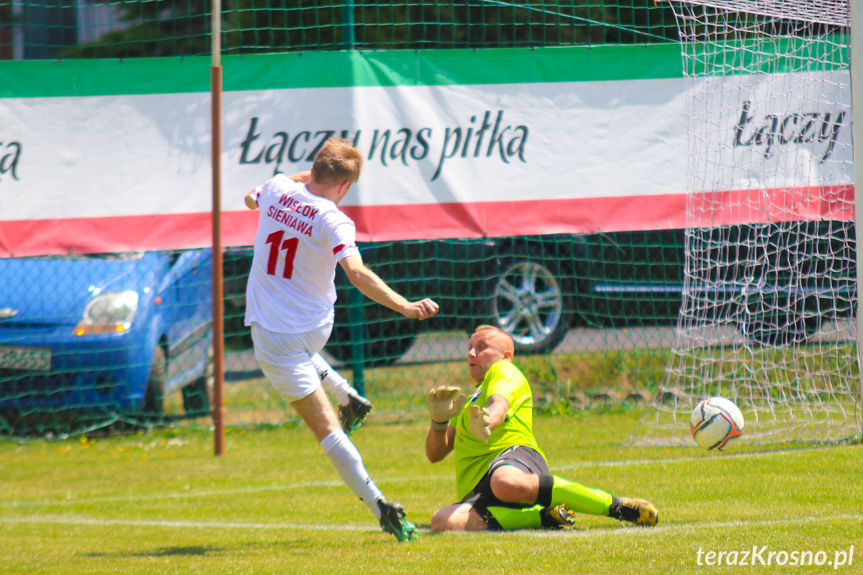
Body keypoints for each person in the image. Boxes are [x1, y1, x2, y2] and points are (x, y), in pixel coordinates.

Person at [243, 137, 440, 542]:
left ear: (312, 169)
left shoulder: (279, 186)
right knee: (300, 354)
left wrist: (299, 180)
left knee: (326, 428)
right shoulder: (334, 218)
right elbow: (355, 271)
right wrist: (403, 305)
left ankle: (380, 504)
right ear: (345, 186)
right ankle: (347, 394)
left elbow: (250, 199)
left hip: (275, 332)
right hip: (316, 325)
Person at [424, 324, 659, 532]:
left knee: (504, 482)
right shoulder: (469, 402)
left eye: (482, 347)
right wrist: (438, 422)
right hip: (477, 490)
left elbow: (498, 408)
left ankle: (615, 505)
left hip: (514, 459)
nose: (471, 353)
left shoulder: (504, 371)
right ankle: (543, 516)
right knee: (442, 521)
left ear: (506, 356)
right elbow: (435, 454)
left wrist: (487, 420)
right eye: (470, 347)